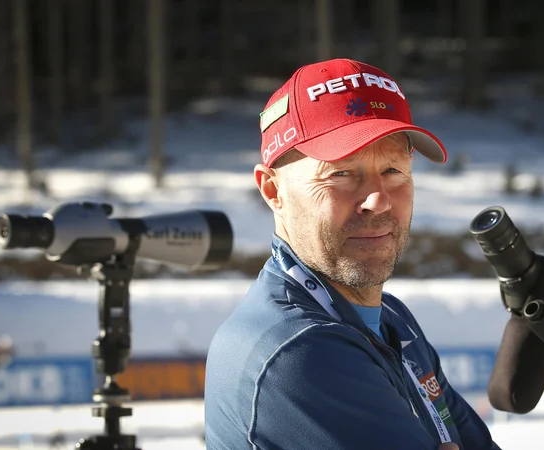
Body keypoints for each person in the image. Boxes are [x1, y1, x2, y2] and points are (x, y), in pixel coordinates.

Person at [204, 58, 501, 450]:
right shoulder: (299, 350)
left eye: (394, 170)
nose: (377, 200)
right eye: (341, 173)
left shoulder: (393, 321)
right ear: (273, 191)